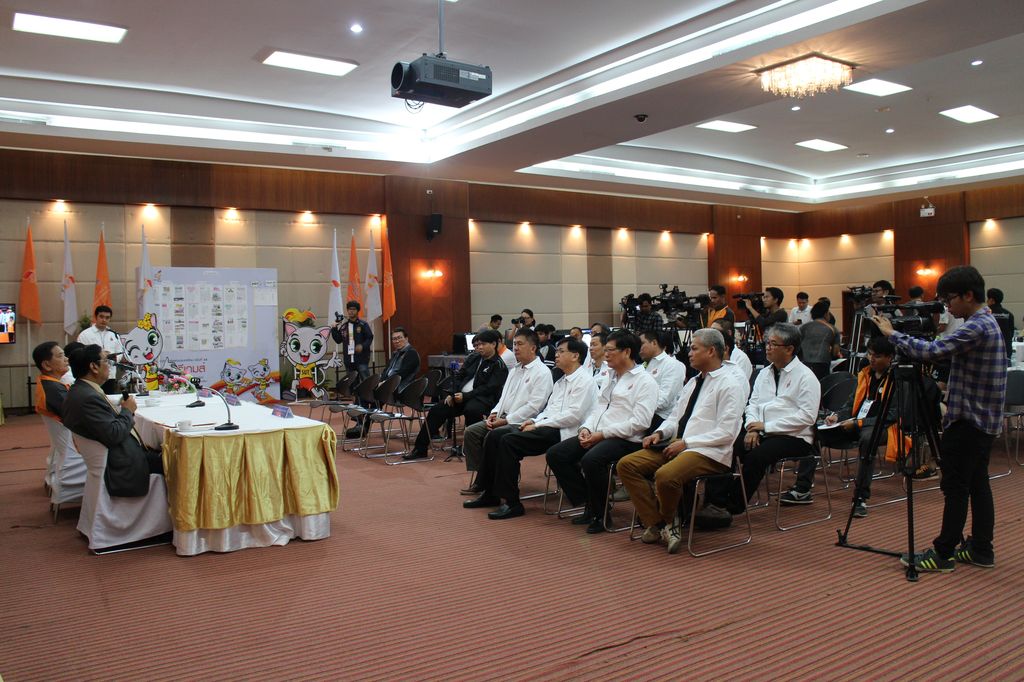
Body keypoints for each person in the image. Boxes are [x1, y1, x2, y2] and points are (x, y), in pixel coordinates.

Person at [873, 265, 1006, 572]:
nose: (947, 307)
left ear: (968, 295)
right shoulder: (987, 321)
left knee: (955, 487)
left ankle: (943, 553)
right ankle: (981, 549)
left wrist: (892, 334)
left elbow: (932, 351)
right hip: (982, 420)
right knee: (977, 485)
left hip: (969, 421)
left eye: (949, 299)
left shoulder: (976, 326)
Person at [618, 328, 746, 553]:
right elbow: (675, 416)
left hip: (709, 451)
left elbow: (726, 433)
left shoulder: (730, 384)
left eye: (694, 348)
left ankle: (669, 522)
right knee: (627, 465)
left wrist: (687, 443)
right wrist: (660, 433)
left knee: (665, 475)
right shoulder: (693, 382)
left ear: (711, 351)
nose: (689, 353)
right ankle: (660, 524)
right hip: (679, 444)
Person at [696, 323, 820, 527]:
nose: (767, 348)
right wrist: (752, 426)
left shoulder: (806, 376)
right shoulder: (764, 373)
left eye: (773, 344)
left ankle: (731, 506)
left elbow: (807, 417)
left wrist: (765, 426)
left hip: (795, 436)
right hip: (762, 430)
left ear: (789, 349)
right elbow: (752, 403)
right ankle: (713, 502)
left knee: (757, 456)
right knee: (726, 446)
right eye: (767, 343)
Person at [464, 337, 595, 519]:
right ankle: (490, 493)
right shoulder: (561, 381)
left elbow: (573, 416)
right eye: (557, 351)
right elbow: (548, 410)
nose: (556, 355)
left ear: (575, 356)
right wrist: (533, 421)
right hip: (549, 426)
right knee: (495, 437)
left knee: (508, 441)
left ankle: (512, 503)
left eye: (561, 351)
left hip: (566, 431)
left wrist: (537, 424)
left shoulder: (585, 381)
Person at [545, 330, 658, 534]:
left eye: (610, 350)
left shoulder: (645, 381)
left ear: (626, 352)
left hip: (626, 439)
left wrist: (603, 434)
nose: (605, 354)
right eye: (605, 350)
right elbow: (598, 408)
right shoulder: (609, 376)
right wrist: (586, 428)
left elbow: (640, 423)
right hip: (599, 434)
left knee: (591, 460)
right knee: (556, 454)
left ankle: (600, 513)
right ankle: (590, 502)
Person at [62, 344, 163, 496]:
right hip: (122, 465)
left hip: (118, 456)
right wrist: (127, 411)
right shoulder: (87, 398)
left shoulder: (81, 390)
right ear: (94, 367)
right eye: (106, 361)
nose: (109, 365)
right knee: (177, 462)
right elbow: (114, 434)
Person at [461, 328, 553, 492]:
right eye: (514, 344)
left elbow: (534, 407)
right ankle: (484, 475)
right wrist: (494, 413)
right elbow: (503, 398)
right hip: (502, 417)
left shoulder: (542, 372)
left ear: (533, 348)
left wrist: (505, 420)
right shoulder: (515, 370)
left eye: (520, 344)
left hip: (521, 422)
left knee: (493, 436)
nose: (515, 348)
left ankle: (486, 481)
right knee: (471, 432)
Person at [404, 330, 508, 461]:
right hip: (462, 397)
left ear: (493, 344)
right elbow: (459, 376)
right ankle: (420, 449)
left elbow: (488, 389)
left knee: (472, 410)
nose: (479, 347)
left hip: (483, 399)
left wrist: (466, 396)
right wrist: (452, 394)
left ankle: (472, 447)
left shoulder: (499, 365)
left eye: (483, 344)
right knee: (437, 409)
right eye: (477, 345)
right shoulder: (474, 358)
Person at [639, 330, 686, 432]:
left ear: (654, 343)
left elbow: (664, 400)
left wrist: (638, 408)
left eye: (642, 343)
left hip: (661, 419)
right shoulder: (644, 365)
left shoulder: (672, 365)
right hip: (644, 414)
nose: (639, 348)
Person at [77, 305, 122, 393]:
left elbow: (120, 352)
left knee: (109, 399)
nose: (104, 320)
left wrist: (114, 358)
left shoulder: (113, 334)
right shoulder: (85, 334)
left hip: (110, 375)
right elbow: (81, 354)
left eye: (107, 318)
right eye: (101, 317)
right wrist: (101, 355)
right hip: (93, 375)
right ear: (96, 317)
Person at [330, 300, 373, 380]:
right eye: (349, 309)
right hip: (349, 361)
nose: (351, 311)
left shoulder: (363, 325)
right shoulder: (344, 326)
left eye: (353, 309)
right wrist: (334, 329)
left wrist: (362, 346)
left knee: (366, 382)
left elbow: (369, 338)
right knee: (351, 383)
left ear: (357, 311)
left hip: (361, 359)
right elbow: (338, 340)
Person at [799, 301, 840, 379]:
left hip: (804, 362)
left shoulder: (803, 327)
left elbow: (797, 346)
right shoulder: (832, 329)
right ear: (825, 314)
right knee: (822, 384)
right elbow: (835, 351)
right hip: (822, 363)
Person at [33, 341, 70, 421]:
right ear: (46, 365)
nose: (67, 359)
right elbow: (77, 417)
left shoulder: (49, 384)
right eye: (60, 356)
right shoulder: (54, 390)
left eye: (64, 355)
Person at [380, 327, 420, 392]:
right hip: (390, 385)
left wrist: (385, 383)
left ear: (406, 339)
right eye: (394, 339)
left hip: (402, 389)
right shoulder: (395, 354)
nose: (397, 341)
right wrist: (381, 381)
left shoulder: (411, 353)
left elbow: (402, 374)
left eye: (399, 338)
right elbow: (386, 370)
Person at [986, 288, 1014, 359]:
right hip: (1006, 352)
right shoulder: (1009, 314)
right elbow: (1011, 334)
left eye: (988, 299)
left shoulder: (985, 314)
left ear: (991, 300)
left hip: (989, 353)